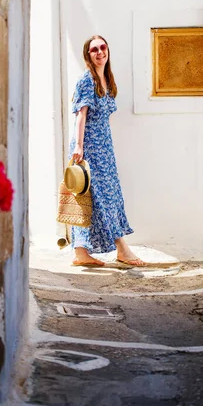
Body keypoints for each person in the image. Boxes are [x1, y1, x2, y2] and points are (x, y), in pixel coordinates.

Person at [69, 35, 146, 268]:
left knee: (94, 198)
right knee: (99, 198)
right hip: (90, 147)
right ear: (88, 55)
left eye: (103, 47)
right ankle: (122, 249)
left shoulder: (107, 80)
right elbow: (80, 115)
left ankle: (81, 252)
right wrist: (79, 146)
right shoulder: (87, 80)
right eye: (94, 49)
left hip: (105, 148)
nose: (100, 52)